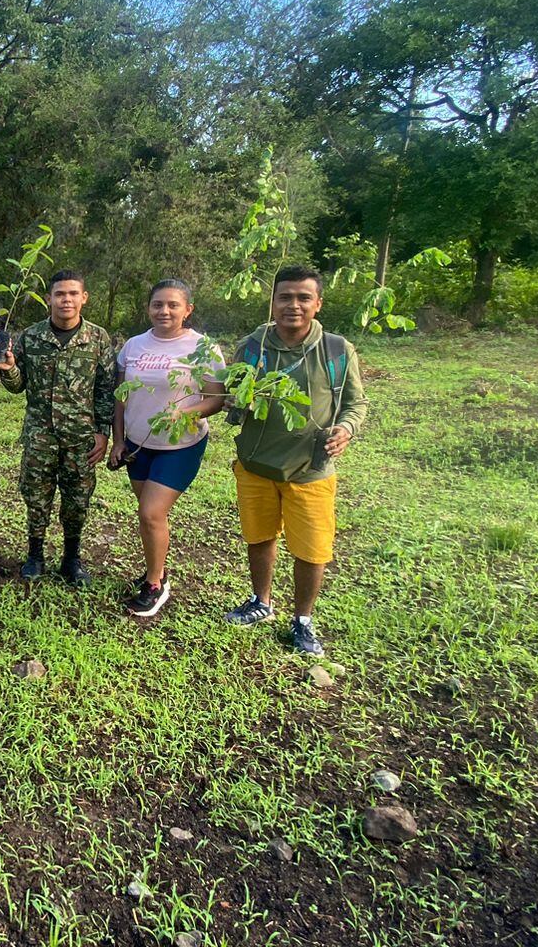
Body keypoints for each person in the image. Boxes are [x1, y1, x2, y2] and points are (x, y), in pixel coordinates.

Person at [222, 264, 369, 657]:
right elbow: (231, 399)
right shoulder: (252, 346)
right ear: (272, 303)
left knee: (311, 549)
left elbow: (355, 404)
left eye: (303, 297)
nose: (294, 305)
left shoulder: (336, 350)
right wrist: (238, 400)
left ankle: (302, 619)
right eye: (284, 297)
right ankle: (260, 601)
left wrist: (345, 430)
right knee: (259, 536)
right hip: (255, 464)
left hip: (311, 468)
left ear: (318, 304)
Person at [110, 280, 227, 617]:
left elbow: (216, 399)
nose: (164, 311)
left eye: (173, 305)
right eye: (157, 304)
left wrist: (183, 413)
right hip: (137, 443)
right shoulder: (133, 346)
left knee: (151, 513)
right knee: (150, 517)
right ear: (148, 308)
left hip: (180, 444)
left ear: (187, 310)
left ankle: (154, 585)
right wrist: (118, 440)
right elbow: (121, 398)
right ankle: (157, 569)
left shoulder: (203, 348)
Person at [0, 271, 117, 585]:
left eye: (73, 294)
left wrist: (103, 431)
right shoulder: (32, 337)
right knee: (36, 497)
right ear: (48, 299)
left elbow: (105, 388)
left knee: (77, 499)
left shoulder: (98, 338)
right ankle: (35, 555)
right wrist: (8, 369)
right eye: (60, 294)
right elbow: (17, 385)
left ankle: (71, 559)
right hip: (40, 436)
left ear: (84, 298)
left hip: (81, 438)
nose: (67, 300)